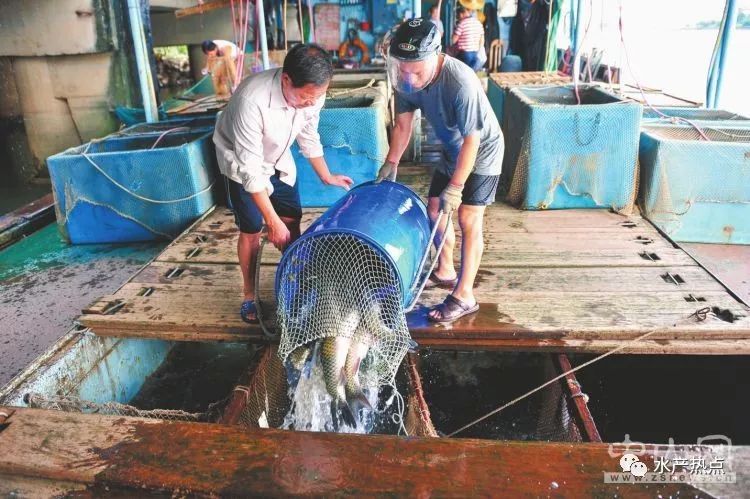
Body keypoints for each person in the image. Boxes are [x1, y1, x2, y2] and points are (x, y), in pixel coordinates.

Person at [214, 44, 353, 323]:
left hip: (279, 160)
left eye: (317, 96)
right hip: (242, 165)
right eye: (305, 97)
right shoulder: (250, 101)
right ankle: (249, 295)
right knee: (253, 229)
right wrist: (271, 221)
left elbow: (308, 133)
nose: (312, 103)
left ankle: (296, 280)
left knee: (291, 219)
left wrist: (326, 175)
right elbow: (251, 171)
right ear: (286, 80)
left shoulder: (314, 94)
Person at [377, 19, 503, 323]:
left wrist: (457, 187)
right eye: (403, 69)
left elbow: (473, 139)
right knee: (434, 210)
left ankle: (464, 296)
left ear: (435, 57)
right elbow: (403, 124)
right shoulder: (406, 77)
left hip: (482, 151)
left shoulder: (460, 81)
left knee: (467, 217)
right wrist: (391, 162)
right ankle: (445, 269)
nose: (409, 77)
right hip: (451, 150)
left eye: (416, 70)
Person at [451, 6, 485, 71]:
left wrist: (453, 33)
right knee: (470, 73)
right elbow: (482, 40)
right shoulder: (478, 23)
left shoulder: (462, 24)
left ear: (461, 14)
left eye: (458, 15)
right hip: (475, 54)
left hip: (464, 54)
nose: (458, 17)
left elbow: (453, 40)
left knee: (459, 71)